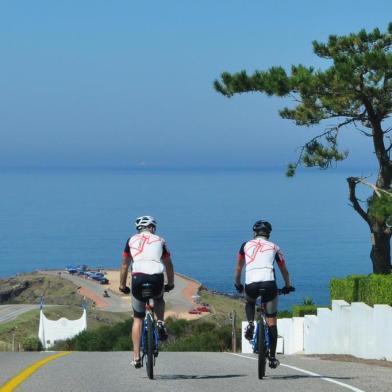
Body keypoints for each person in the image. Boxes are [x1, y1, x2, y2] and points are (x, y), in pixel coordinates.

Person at [234, 220, 294, 369]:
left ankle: (250, 323)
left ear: (254, 233)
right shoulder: (275, 247)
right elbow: (284, 271)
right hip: (269, 285)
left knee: (249, 301)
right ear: (269, 234)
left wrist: (238, 284)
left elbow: (238, 268)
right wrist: (287, 286)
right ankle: (272, 357)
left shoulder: (245, 245)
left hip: (251, 285)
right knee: (272, 320)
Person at [119, 215, 175, 369]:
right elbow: (168, 264)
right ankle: (160, 322)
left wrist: (122, 286)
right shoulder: (160, 240)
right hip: (156, 278)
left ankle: (136, 357)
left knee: (138, 318)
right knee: (159, 299)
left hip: (137, 279)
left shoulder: (130, 241)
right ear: (152, 228)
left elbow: (125, 265)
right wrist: (170, 283)